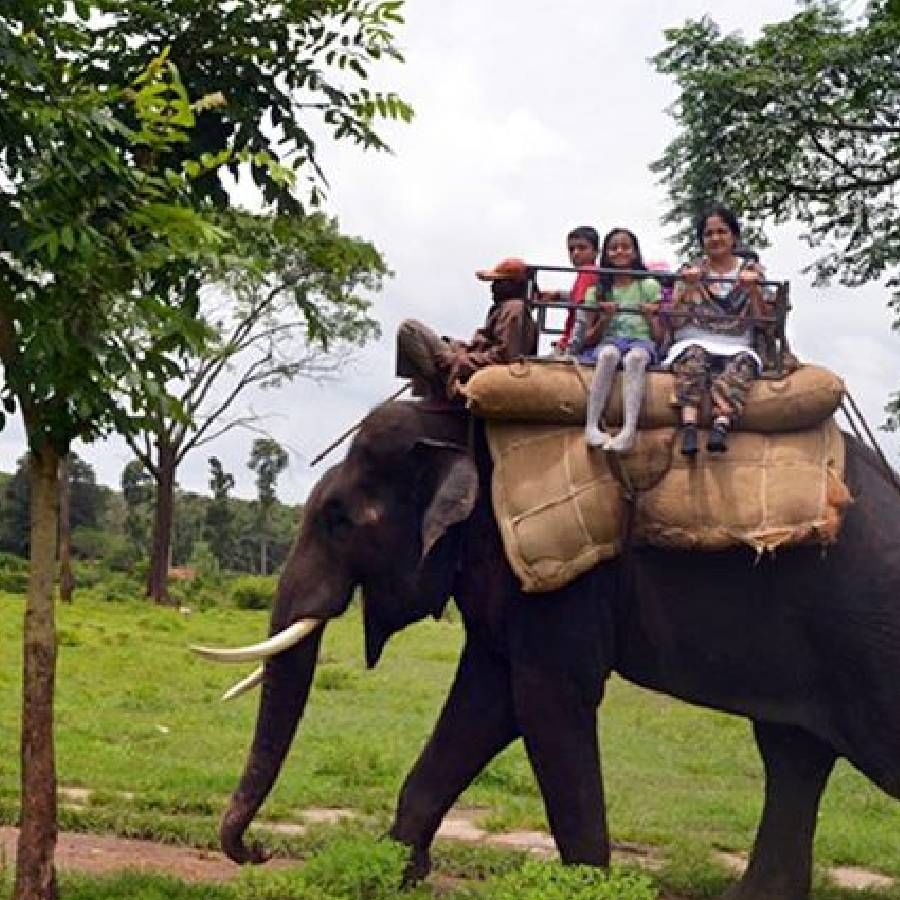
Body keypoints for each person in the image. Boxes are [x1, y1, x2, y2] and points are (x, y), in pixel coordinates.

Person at [663, 205, 773, 456]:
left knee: (743, 364)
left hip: (737, 342)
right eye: (709, 233)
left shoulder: (752, 273)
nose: (715, 238)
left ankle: (721, 424)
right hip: (695, 338)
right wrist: (689, 288)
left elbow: (765, 322)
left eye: (721, 232)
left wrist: (753, 290)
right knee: (693, 359)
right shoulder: (691, 272)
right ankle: (689, 425)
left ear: (733, 236)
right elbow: (675, 321)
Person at [396, 257, 538, 398]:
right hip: (468, 358)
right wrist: (457, 347)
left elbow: (504, 357)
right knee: (431, 339)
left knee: (409, 329)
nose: (492, 287)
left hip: (468, 366)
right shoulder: (508, 308)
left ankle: (438, 383)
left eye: (498, 282)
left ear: (512, 285)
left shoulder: (513, 309)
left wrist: (459, 361)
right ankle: (437, 379)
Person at [577, 228, 663, 454]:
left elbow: (659, 336)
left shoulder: (649, 286)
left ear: (635, 253)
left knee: (636, 359)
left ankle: (629, 429)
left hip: (641, 341)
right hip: (609, 341)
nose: (619, 252)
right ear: (605, 254)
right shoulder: (597, 291)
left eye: (625, 247)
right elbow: (587, 339)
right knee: (608, 355)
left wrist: (649, 316)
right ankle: (591, 425)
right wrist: (604, 319)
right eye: (614, 248)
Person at [539, 226, 599, 354]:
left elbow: (583, 315)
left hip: (572, 343)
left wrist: (571, 348)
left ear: (596, 252)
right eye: (571, 249)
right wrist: (558, 295)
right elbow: (579, 296)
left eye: (582, 248)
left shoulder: (587, 273)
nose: (575, 253)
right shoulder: (591, 274)